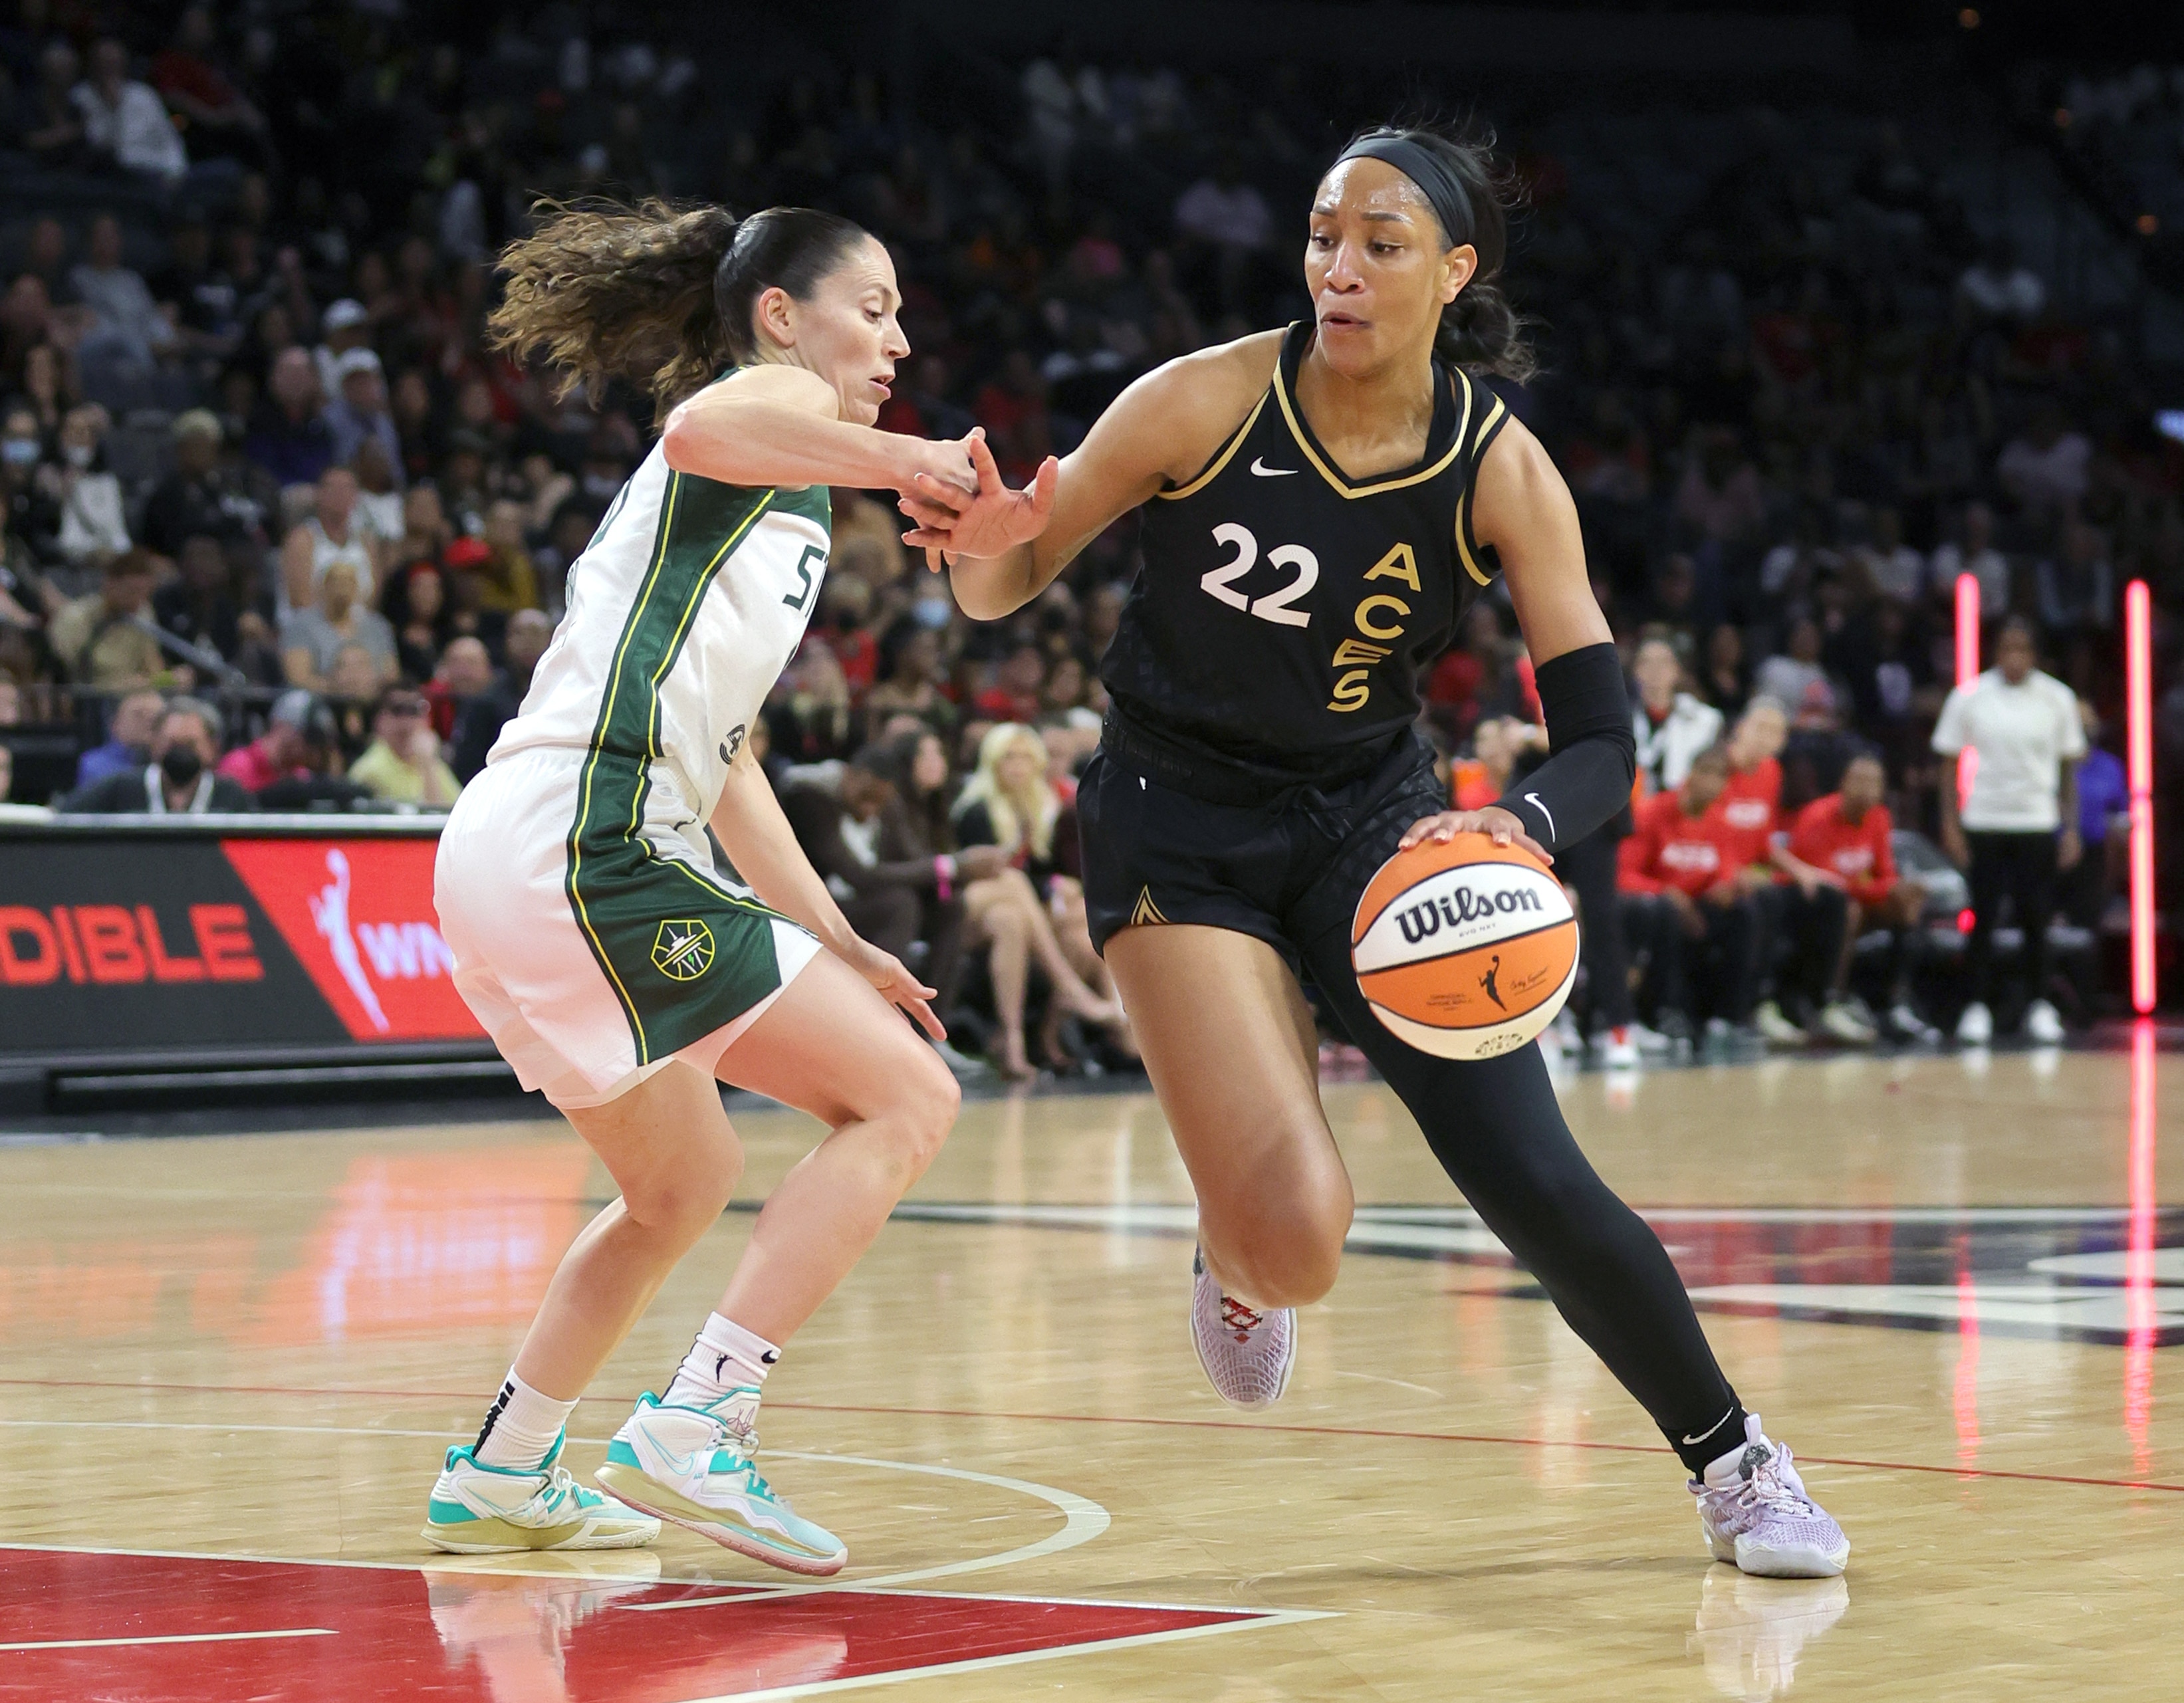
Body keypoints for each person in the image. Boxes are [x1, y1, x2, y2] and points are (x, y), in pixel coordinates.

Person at [906, 125, 1846, 1576]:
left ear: (1452, 270)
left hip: (1374, 827)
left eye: (1380, 244)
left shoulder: (1497, 464)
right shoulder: (1200, 400)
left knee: (1537, 1178)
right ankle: (1233, 1255)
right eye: (1321, 236)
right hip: (1179, 821)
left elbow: (1603, 742)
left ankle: (1734, 1462)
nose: (1337, 269)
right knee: (1296, 1241)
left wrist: (1517, 825)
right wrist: (978, 536)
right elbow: (1006, 578)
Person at [422, 198, 982, 1572]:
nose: (897, 339)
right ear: (783, 316)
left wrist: (838, 940)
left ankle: (503, 1461)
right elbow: (697, 424)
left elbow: (725, 761)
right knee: (908, 1099)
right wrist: (905, 457)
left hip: (522, 850)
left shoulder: (780, 484)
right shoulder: (762, 411)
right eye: (875, 307)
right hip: (580, 840)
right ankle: (700, 1423)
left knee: (683, 1182)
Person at [1933, 616, 2084, 1046]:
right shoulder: (1970, 696)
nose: (2013, 657)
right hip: (1984, 820)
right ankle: (1975, 1006)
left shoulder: (2057, 698)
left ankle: (2038, 1005)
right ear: (1994, 652)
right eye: (2006, 648)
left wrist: (2069, 827)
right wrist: (1950, 822)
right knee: (1981, 918)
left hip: (2036, 821)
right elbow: (1947, 762)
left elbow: (2067, 767)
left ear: (2034, 654)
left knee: (2036, 919)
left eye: (2022, 648)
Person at [949, 721, 1128, 1078]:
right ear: (993, 761)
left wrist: (1056, 887)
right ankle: (1071, 991)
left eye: (1025, 758)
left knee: (1028, 922)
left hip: (1006, 913)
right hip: (963, 905)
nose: (1017, 765)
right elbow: (984, 869)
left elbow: (1044, 873)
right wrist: (1044, 885)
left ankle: (1017, 1041)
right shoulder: (976, 807)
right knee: (1013, 883)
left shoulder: (1037, 807)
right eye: (1009, 757)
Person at [1786, 749, 1933, 1041]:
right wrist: (1881, 888)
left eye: (1874, 782)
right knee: (1847, 910)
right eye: (1860, 780)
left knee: (1909, 900)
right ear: (1843, 783)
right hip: (1811, 905)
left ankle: (1894, 1001)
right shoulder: (1817, 817)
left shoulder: (1879, 817)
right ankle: (1830, 999)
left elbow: (1885, 872)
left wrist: (1896, 889)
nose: (1867, 788)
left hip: (1857, 898)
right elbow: (1830, 884)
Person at [1618, 743, 1760, 1038]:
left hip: (1696, 906)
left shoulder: (1720, 821)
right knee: (1667, 912)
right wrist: (1667, 892)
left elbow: (1723, 872)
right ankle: (1662, 1012)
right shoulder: (1653, 812)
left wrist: (1729, 887)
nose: (1711, 783)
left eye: (1719, 777)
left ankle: (1730, 1015)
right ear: (1690, 775)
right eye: (1706, 774)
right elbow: (1624, 874)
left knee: (1745, 911)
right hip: (1658, 907)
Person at [66, 697, 251, 814]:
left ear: (213, 748)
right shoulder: (121, 789)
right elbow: (65, 814)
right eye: (172, 743)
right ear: (154, 744)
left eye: (190, 744)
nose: (181, 751)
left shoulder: (231, 796)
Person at [280, 557, 395, 692]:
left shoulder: (377, 627)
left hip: (371, 702)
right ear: (322, 587)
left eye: (348, 582)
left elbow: (390, 677)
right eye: (335, 582)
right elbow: (298, 679)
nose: (342, 588)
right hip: (320, 703)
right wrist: (342, 688)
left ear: (357, 587)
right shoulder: (301, 626)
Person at [1630, 633, 1721, 795]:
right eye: (1647, 662)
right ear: (1636, 670)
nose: (1655, 670)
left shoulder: (1704, 719)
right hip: (1633, 808)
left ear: (1677, 670)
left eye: (1663, 662)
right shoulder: (1623, 719)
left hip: (1683, 808)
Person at [348, 683, 462, 806]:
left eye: (414, 711)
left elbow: (461, 810)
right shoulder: (370, 770)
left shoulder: (432, 762)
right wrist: (427, 764)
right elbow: (430, 818)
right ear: (379, 720)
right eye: (397, 710)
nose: (406, 721)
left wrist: (428, 762)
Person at [73, 686, 166, 789]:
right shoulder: (95, 765)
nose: (150, 721)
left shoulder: (171, 762)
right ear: (115, 723)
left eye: (158, 716)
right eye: (139, 714)